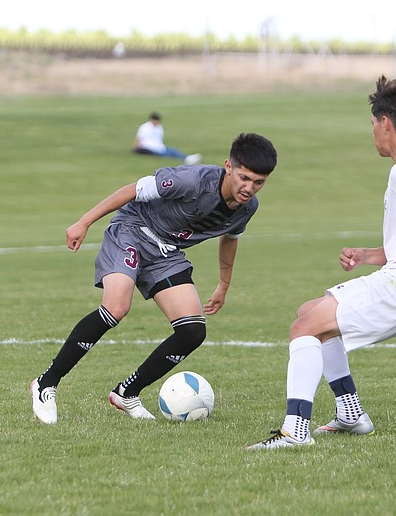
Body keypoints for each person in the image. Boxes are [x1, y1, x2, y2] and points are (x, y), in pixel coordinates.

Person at [248, 76, 396, 450]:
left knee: (303, 329)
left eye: (372, 126)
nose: (373, 135)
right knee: (308, 313)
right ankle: (350, 413)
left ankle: (295, 431)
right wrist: (367, 256)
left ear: (385, 123)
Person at [30, 132, 278, 424]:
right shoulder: (191, 180)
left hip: (166, 253)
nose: (249, 188)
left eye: (258, 182)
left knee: (193, 331)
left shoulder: (247, 208)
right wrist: (84, 222)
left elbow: (230, 238)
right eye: (244, 178)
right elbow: (132, 190)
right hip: (132, 230)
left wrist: (224, 284)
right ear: (228, 166)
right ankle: (46, 383)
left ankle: (126, 392)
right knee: (116, 308)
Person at [133, 112, 200, 164]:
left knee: (173, 151)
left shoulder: (159, 127)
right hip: (151, 148)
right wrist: (137, 148)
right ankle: (186, 158)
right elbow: (139, 138)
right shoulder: (145, 127)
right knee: (169, 154)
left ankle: (186, 157)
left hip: (159, 146)